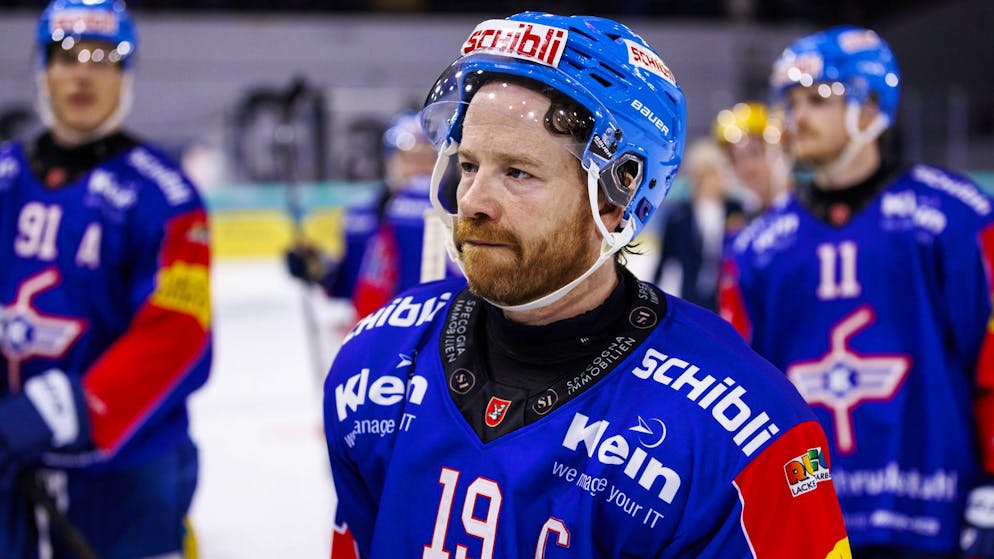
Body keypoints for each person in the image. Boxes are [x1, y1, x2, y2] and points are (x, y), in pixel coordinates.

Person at [323, 12, 851, 558]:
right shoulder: (377, 360)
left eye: (517, 173)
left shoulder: (743, 434)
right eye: (468, 164)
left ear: (616, 197)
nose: (472, 201)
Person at [718, 25, 994, 559]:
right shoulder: (756, 246)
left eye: (819, 100)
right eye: (791, 102)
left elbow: (988, 356)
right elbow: (744, 387)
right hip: (810, 508)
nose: (798, 117)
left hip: (933, 505)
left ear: (870, 109)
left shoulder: (955, 216)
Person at [0, 0, 211, 557]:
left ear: (127, 74)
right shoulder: (5, 178)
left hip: (126, 477)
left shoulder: (163, 193)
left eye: (103, 56)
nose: (83, 72)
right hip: (14, 467)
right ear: (42, 69)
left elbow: (180, 330)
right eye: (66, 55)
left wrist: (61, 407)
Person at [286, 111, 459, 319]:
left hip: (439, 329)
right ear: (390, 162)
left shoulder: (457, 211)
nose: (419, 169)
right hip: (380, 333)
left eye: (428, 159)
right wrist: (318, 267)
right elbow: (347, 283)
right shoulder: (362, 215)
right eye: (410, 159)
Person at [652, 138, 746, 311]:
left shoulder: (735, 210)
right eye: (714, 173)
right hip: (692, 298)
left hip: (730, 298)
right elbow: (665, 260)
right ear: (701, 176)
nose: (720, 179)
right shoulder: (679, 216)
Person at [712, 100, 792, 216]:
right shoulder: (745, 219)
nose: (747, 168)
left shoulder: (807, 206)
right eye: (735, 159)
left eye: (755, 153)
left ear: (776, 151)